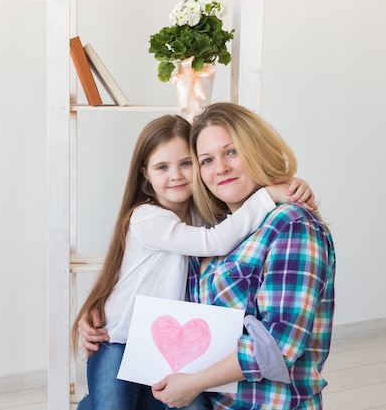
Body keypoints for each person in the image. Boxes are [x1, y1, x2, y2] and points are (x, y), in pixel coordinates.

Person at [72, 114, 317, 410]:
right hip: (119, 340)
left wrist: (287, 186)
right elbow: (215, 240)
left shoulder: (209, 219)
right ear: (145, 174)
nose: (176, 175)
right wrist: (268, 195)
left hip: (168, 350)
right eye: (163, 167)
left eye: (186, 163)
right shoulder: (148, 217)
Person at [150, 102, 336, 410]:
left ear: (256, 149)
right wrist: (104, 319)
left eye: (232, 152)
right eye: (207, 160)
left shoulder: (291, 224)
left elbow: (279, 344)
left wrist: (194, 383)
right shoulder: (212, 233)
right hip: (204, 402)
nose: (220, 167)